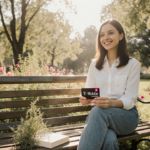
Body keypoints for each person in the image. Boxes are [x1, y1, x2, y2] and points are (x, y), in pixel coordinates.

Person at [77, 19, 140, 150]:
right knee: (109, 139)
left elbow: (130, 99)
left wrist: (110, 103)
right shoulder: (94, 65)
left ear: (121, 36)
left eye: (110, 33)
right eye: (102, 34)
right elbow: (90, 92)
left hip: (127, 117)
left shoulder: (132, 64)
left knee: (99, 112)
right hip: (101, 118)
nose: (106, 38)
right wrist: (85, 99)